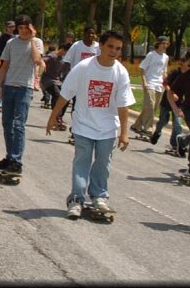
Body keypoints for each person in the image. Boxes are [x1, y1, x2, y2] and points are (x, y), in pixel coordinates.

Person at [45, 30, 135, 218]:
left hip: (108, 128)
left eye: (118, 48)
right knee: (82, 163)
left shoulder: (121, 72)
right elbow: (66, 94)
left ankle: (99, 196)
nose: (113, 51)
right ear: (100, 45)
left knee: (103, 163)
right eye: (110, 46)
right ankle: (76, 199)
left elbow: (123, 105)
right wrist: (53, 117)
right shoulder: (84, 67)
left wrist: (124, 133)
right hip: (84, 125)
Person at [0, 14, 44, 174]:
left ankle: (17, 160)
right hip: (9, 86)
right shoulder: (11, 43)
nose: (23, 31)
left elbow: (36, 60)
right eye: (20, 28)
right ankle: (9, 157)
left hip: (24, 88)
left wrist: (32, 39)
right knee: (7, 123)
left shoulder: (37, 42)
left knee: (19, 124)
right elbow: (4, 65)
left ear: (31, 28)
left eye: (26, 28)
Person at [130, 35, 169, 136]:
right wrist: (144, 82)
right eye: (163, 43)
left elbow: (164, 71)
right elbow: (142, 69)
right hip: (150, 83)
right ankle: (148, 128)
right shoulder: (151, 55)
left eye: (166, 43)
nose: (165, 45)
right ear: (158, 44)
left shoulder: (166, 57)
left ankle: (136, 125)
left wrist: (166, 83)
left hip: (159, 85)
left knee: (152, 108)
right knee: (150, 106)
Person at [149, 54, 190, 150]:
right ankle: (157, 132)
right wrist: (171, 93)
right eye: (188, 63)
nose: (189, 65)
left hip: (179, 103)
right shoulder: (176, 72)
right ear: (183, 62)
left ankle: (175, 144)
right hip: (167, 101)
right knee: (163, 120)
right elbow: (165, 83)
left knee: (177, 124)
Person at [41, 42, 72, 129]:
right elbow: (42, 59)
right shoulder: (52, 56)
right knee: (57, 95)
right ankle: (56, 118)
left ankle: (59, 116)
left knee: (66, 97)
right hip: (47, 80)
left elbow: (67, 71)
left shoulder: (64, 60)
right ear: (63, 50)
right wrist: (41, 64)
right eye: (68, 52)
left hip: (57, 81)